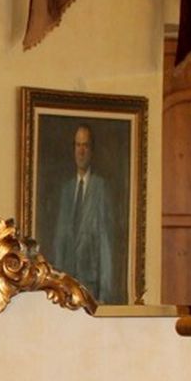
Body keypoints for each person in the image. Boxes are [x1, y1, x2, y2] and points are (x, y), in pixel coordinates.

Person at [49, 123, 117, 303]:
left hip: (91, 287)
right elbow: (59, 241)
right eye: (78, 145)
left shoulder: (100, 188)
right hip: (66, 288)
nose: (81, 151)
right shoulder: (66, 190)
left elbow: (105, 245)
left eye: (85, 145)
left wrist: (104, 295)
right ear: (73, 149)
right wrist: (56, 286)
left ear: (91, 150)